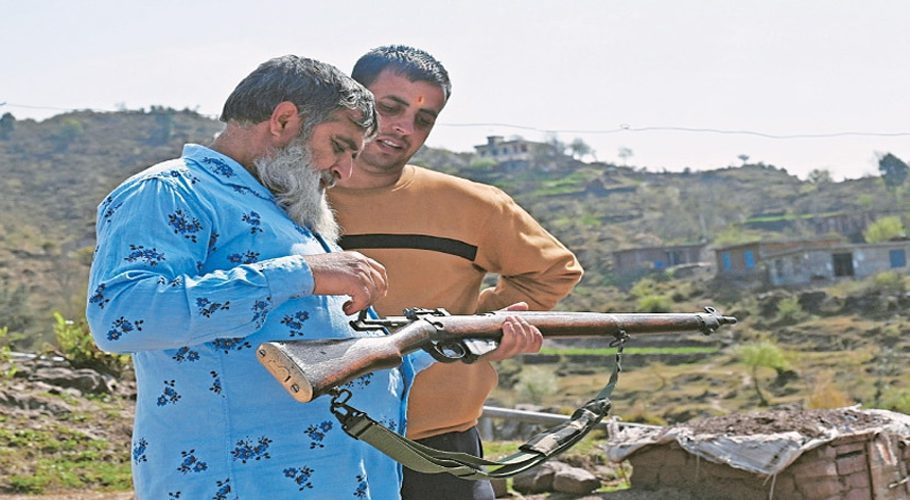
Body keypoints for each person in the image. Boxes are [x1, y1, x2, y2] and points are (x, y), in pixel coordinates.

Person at [86, 54, 542, 499]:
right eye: (340, 147)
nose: (343, 171)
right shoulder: (170, 191)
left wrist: (471, 339)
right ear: (284, 121)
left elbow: (324, 348)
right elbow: (123, 315)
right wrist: (300, 273)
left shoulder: (287, 211)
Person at [328, 45, 584, 499]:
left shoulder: (475, 205)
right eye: (389, 108)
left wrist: (475, 328)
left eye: (424, 120)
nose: (405, 128)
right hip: (308, 444)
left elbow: (553, 272)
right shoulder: (280, 199)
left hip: (440, 448)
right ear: (349, 102)